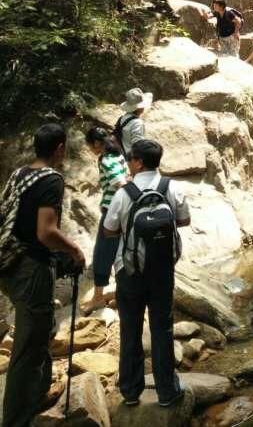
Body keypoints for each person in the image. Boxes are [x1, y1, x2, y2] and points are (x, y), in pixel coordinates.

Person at [0, 124, 85, 427]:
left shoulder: (20, 174)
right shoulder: (51, 181)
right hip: (31, 268)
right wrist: (74, 249)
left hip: (9, 264)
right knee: (27, 346)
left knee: (42, 326)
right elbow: (46, 232)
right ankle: (15, 419)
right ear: (60, 148)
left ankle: (37, 393)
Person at [104, 139, 190, 407]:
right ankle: (167, 391)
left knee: (130, 328)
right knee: (162, 328)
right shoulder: (170, 187)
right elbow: (184, 220)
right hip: (162, 270)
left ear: (139, 162)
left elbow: (109, 229)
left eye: (131, 159)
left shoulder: (123, 193)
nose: (129, 163)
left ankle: (130, 392)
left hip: (129, 271)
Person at [82, 128, 129, 314]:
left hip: (113, 212)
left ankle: (98, 297)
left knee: (102, 254)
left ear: (96, 143)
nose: (89, 149)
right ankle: (120, 294)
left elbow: (122, 184)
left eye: (89, 145)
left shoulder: (107, 160)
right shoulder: (118, 156)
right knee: (121, 253)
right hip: (123, 212)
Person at [115, 88, 152, 157]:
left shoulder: (122, 118)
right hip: (132, 158)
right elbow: (138, 144)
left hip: (124, 154)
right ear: (139, 108)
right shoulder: (137, 123)